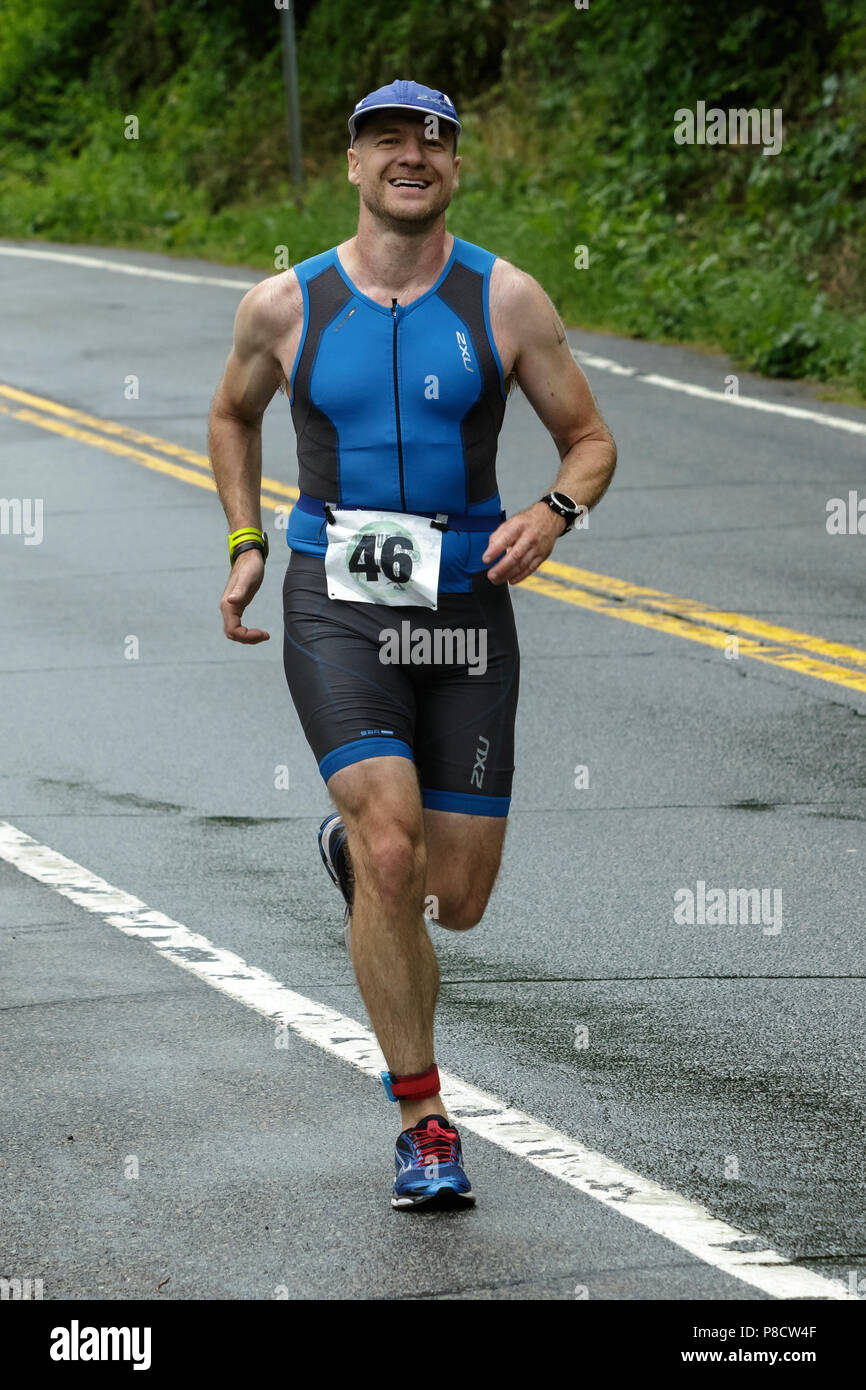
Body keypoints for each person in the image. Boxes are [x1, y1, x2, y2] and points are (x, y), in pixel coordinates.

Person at [208, 80, 616, 1210]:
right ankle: (423, 1120)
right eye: (386, 141)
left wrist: (551, 513)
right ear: (351, 165)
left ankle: (366, 871)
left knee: (457, 895)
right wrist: (246, 537)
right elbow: (232, 412)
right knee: (391, 850)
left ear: (453, 168)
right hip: (337, 604)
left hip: (467, 613)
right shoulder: (285, 306)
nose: (409, 157)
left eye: (430, 143)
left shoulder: (506, 301)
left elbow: (587, 440)